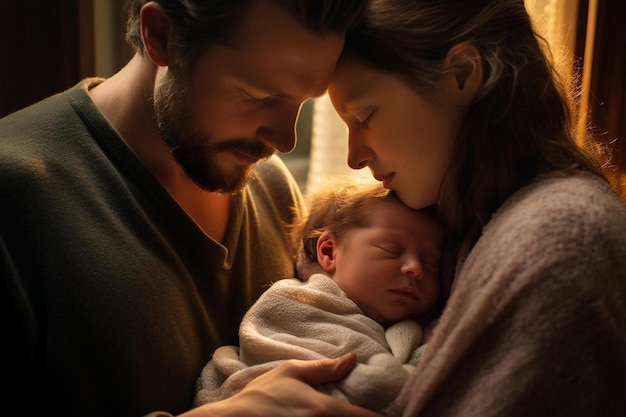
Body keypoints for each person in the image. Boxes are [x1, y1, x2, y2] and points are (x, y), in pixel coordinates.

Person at [0, 1, 382, 416]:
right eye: (258, 94)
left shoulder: (274, 194)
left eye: (304, 101)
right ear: (163, 35)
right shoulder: (15, 198)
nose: (284, 140)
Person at [321, 0, 626, 416]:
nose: (354, 158)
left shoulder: (562, 242)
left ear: (462, 74)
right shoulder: (467, 225)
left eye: (365, 115)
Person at [193, 177, 444, 413]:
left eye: (432, 262)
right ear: (329, 251)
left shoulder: (414, 331)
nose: (416, 268)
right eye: (391, 250)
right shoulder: (295, 302)